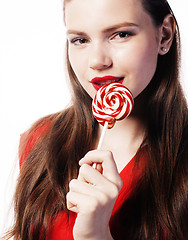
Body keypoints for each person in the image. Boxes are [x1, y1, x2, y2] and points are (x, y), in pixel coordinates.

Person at [3, 0, 188, 239]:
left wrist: (97, 235)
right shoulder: (40, 140)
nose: (97, 61)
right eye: (80, 40)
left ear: (164, 36)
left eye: (121, 34)